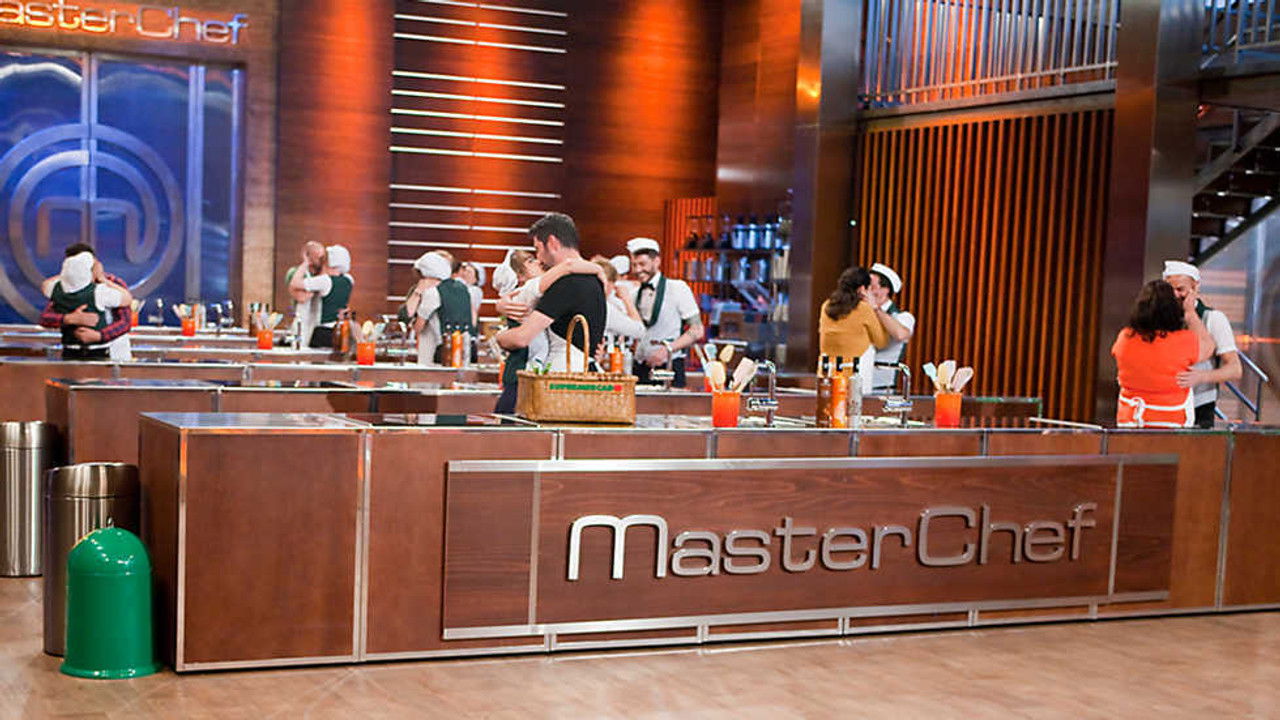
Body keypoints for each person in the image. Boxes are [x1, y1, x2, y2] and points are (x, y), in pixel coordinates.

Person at [496, 213, 606, 375]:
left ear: (552, 243)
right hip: (588, 371)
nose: (539, 258)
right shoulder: (596, 279)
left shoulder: (566, 283)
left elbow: (522, 337)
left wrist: (499, 337)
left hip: (562, 374)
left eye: (538, 249)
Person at [1111, 279, 1215, 428]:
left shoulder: (1125, 338)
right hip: (1172, 422)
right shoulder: (1183, 341)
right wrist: (1190, 313)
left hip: (1130, 420)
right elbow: (1209, 347)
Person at [1161, 260, 1243, 428]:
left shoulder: (1214, 319)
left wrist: (1201, 377)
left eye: (1180, 289)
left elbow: (1235, 369)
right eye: (1170, 290)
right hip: (1164, 404)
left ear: (1195, 288)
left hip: (1199, 406)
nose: (1175, 295)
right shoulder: (1158, 318)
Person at [626, 237, 703, 387]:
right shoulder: (633, 294)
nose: (637, 270)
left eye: (642, 264)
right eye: (634, 265)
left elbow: (697, 330)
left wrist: (667, 350)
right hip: (640, 368)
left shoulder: (678, 288)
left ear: (656, 261)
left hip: (669, 367)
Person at [38, 243, 132, 360]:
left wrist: (99, 336)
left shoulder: (114, 285)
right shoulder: (62, 289)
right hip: (72, 352)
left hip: (111, 352)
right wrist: (69, 318)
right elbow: (45, 318)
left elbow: (125, 322)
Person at [819, 266, 890, 379]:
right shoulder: (864, 309)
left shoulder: (826, 305)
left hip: (827, 372)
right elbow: (881, 342)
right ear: (862, 289)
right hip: (854, 374)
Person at [292, 244, 354, 348]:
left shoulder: (325, 281)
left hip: (323, 332)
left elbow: (295, 283)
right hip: (341, 332)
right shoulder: (349, 280)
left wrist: (305, 262)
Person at [867, 263, 916, 392]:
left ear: (885, 290)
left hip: (882, 389)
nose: (867, 292)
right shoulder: (863, 314)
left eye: (872, 287)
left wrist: (876, 309)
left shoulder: (903, 317)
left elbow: (901, 334)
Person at [405, 251, 455, 364]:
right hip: (455, 348)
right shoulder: (459, 290)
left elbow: (417, 326)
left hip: (433, 351)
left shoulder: (432, 293)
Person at [284, 240, 325, 348]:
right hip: (301, 323)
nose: (322, 260)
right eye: (319, 257)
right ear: (308, 256)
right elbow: (302, 298)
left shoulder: (322, 276)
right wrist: (316, 286)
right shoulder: (295, 273)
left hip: (318, 324)